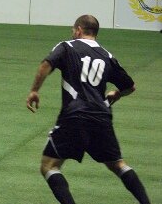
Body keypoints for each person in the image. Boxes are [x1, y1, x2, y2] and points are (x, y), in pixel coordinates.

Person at [26, 15, 151, 204]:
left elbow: (46, 64)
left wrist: (34, 90)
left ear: (78, 30)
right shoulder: (107, 56)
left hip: (74, 115)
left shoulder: (67, 46)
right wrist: (116, 94)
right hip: (101, 116)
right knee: (118, 164)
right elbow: (130, 87)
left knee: (49, 166)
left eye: (73, 31)